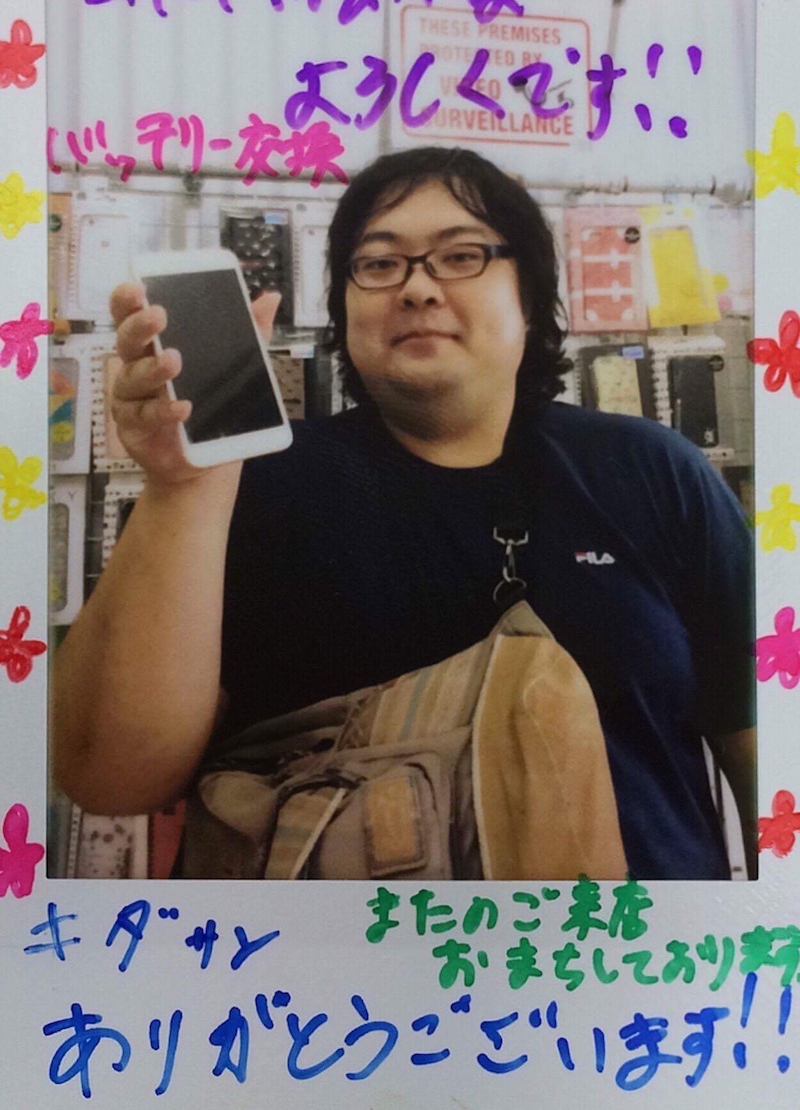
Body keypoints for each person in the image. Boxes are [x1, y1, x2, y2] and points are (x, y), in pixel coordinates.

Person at [53, 146, 756, 880]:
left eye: (461, 255)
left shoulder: (652, 470)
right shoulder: (245, 483)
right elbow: (111, 777)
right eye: (380, 263)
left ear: (530, 297)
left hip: (636, 949)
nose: (418, 287)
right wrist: (180, 490)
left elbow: (759, 740)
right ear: (344, 307)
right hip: (338, 952)